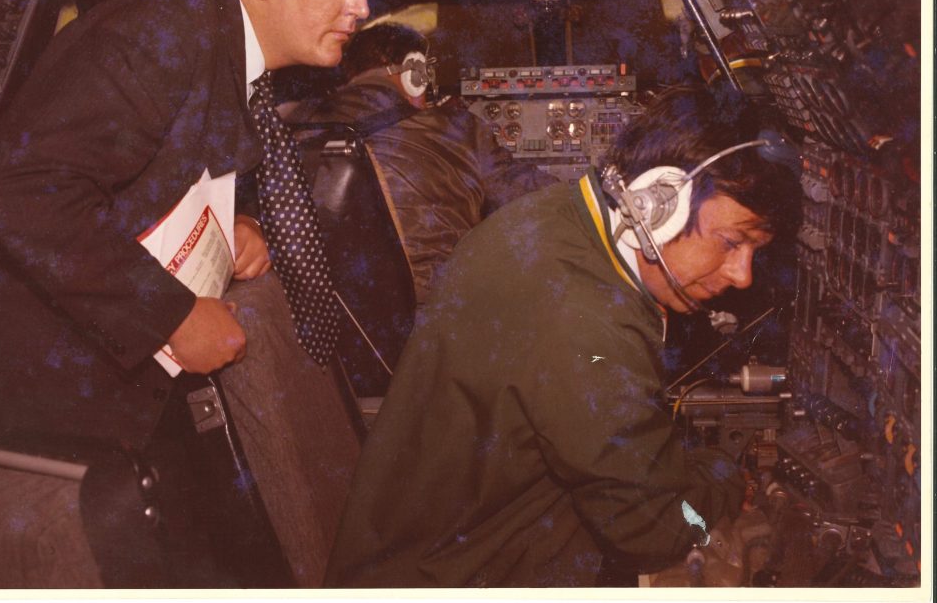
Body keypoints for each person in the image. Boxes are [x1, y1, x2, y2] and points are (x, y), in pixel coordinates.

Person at [0, 0, 409, 586]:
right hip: (31, 389)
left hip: (117, 375)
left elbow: (142, 172)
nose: (360, 6)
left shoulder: (223, 50)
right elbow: (24, 193)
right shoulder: (158, 37)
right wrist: (171, 314)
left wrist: (236, 220)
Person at [325, 85, 801, 587]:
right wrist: (723, 482)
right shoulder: (589, 320)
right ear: (661, 203)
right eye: (732, 242)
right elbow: (658, 528)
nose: (743, 274)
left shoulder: (553, 219)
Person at [283, 22, 558, 303]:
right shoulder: (459, 129)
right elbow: (529, 197)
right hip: (431, 310)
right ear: (416, 74)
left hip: (337, 313)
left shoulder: (294, 123)